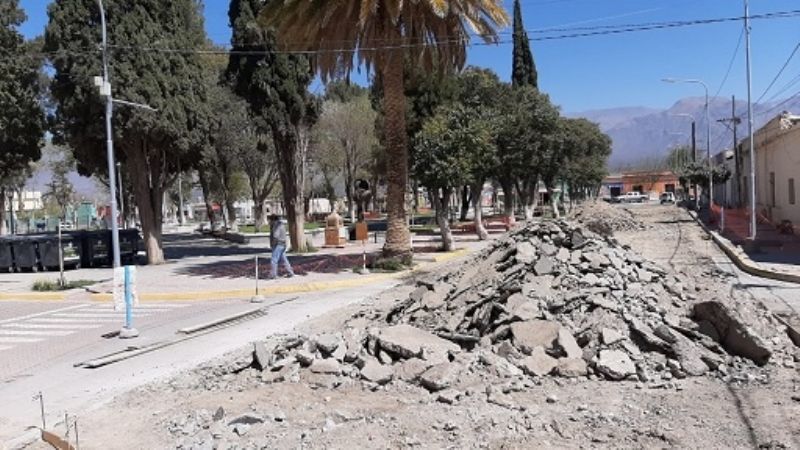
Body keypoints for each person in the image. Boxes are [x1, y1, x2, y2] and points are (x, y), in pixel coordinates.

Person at [269, 214, 294, 278]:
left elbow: (275, 236)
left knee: (274, 259)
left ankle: (273, 274)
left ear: (273, 220)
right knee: (284, 259)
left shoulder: (276, 225)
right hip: (283, 244)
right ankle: (290, 272)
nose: (269, 222)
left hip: (278, 244)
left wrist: (273, 244)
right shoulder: (281, 224)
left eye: (270, 220)